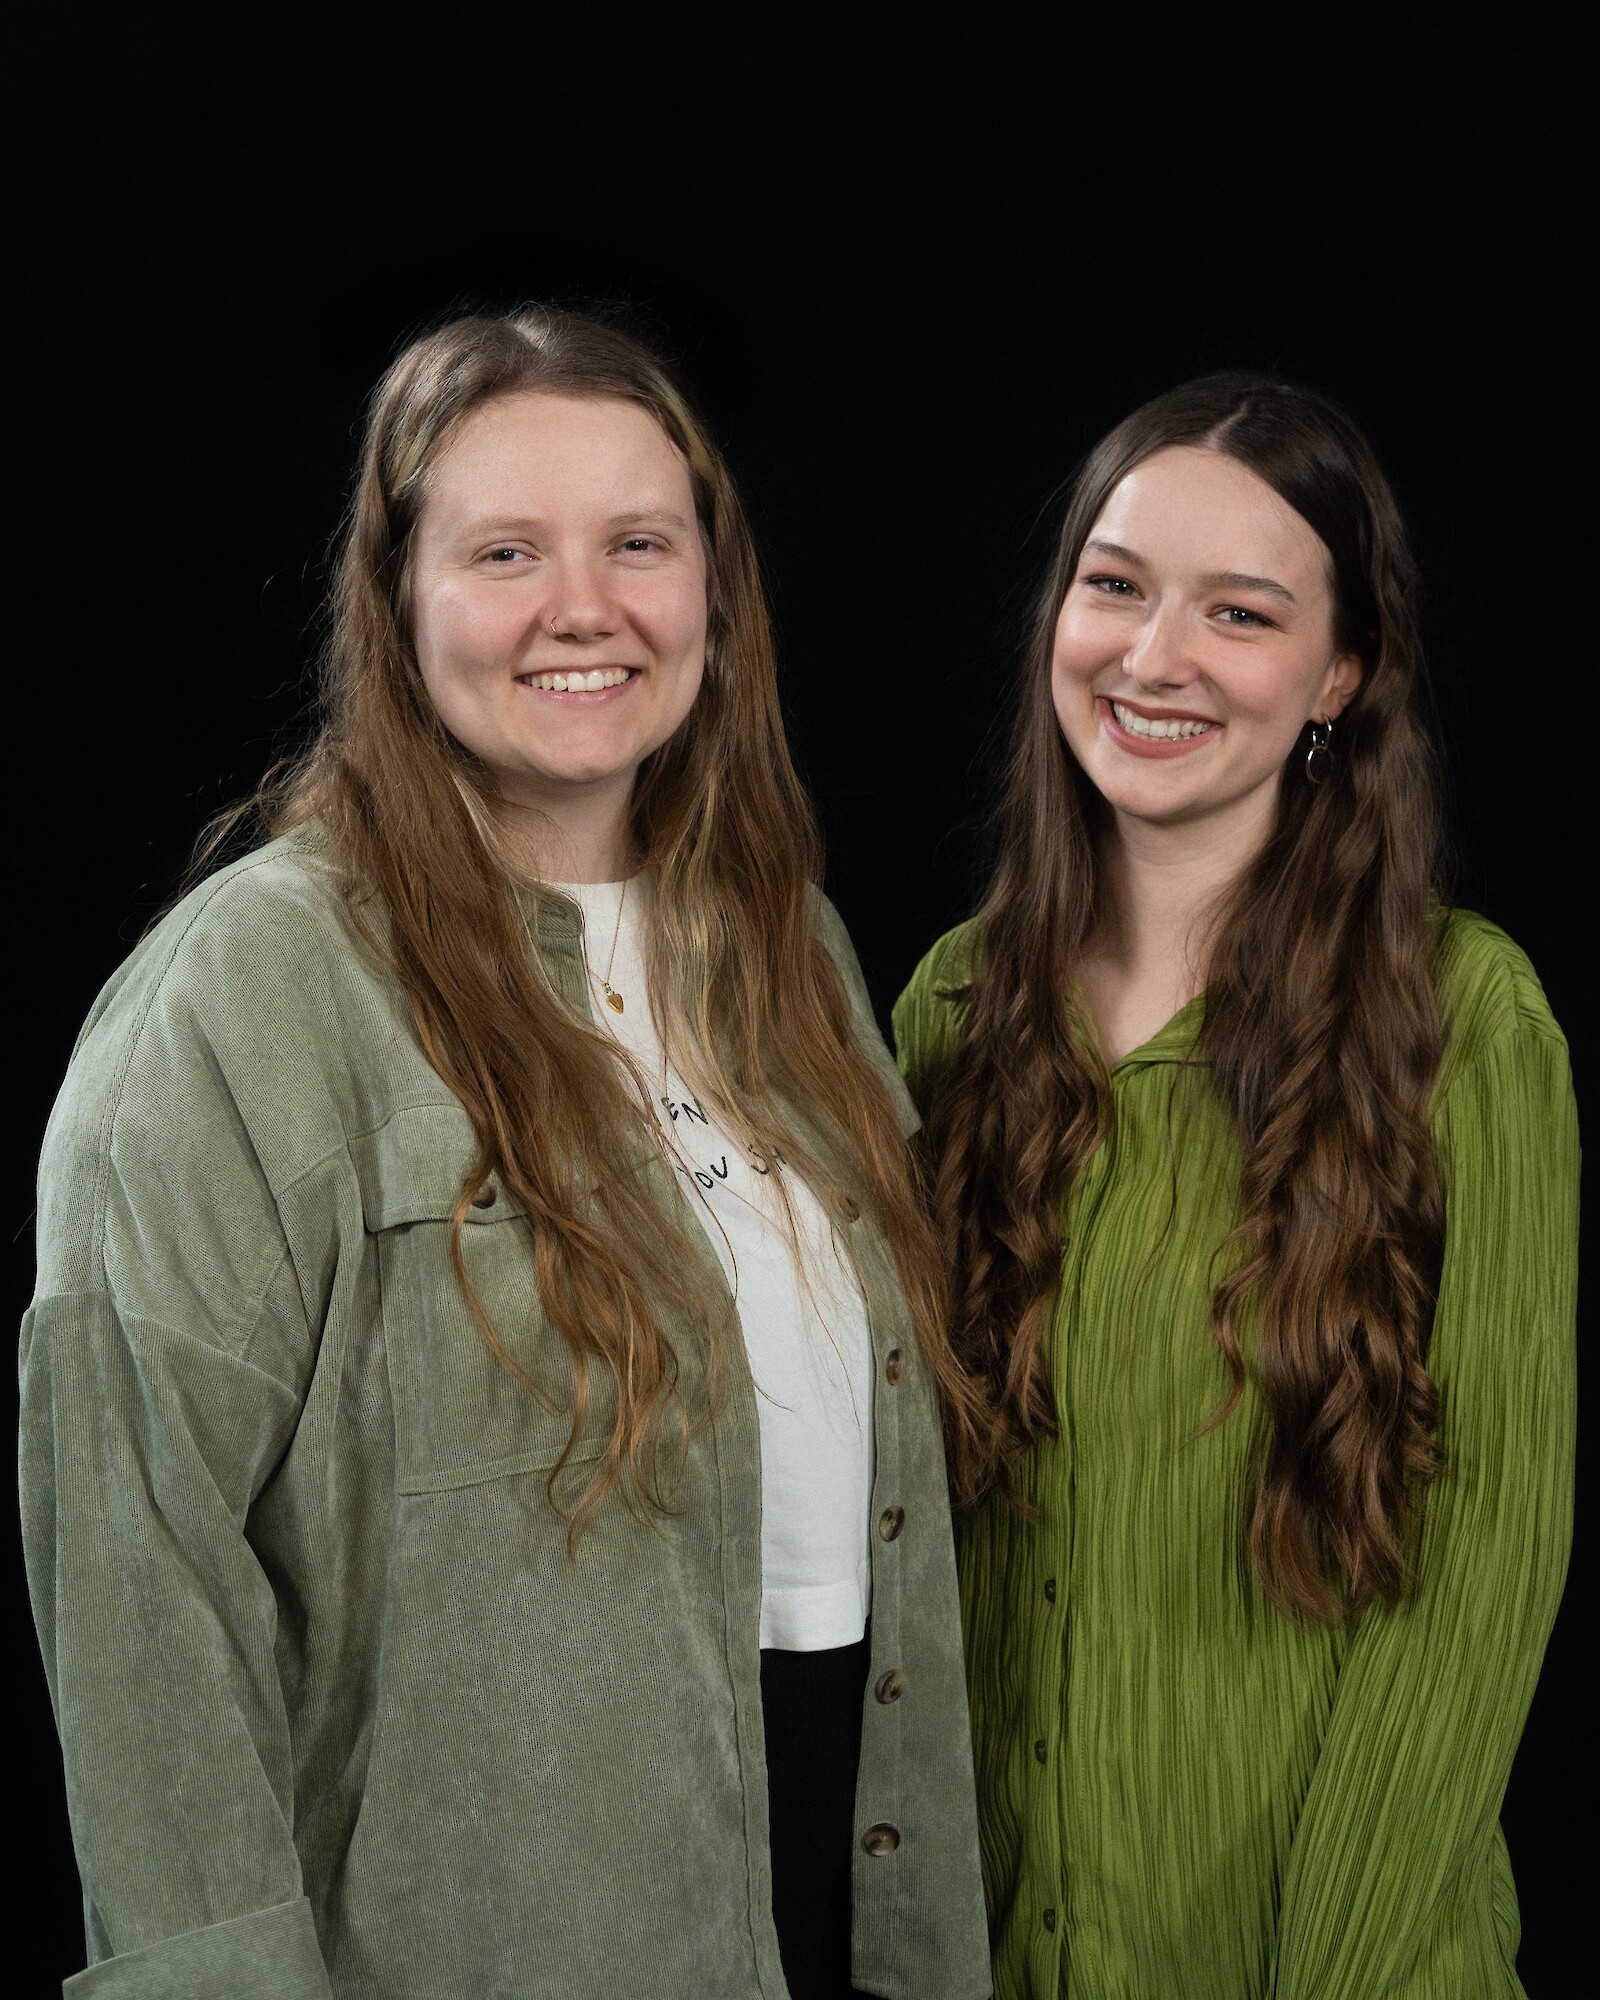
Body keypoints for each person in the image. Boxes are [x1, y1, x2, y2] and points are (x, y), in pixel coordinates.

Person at [21, 307, 993, 2000]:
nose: (582, 607)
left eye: (639, 544)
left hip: (839, 1879)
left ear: (713, 590)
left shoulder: (790, 953)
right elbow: (136, 1577)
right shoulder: (247, 997)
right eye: (504, 552)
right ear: (398, 600)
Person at [893, 375, 1577, 2000]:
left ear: (1341, 674)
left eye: (1241, 613)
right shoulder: (947, 1010)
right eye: (1116, 584)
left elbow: (1481, 1576)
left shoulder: (1464, 1020)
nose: (1154, 656)